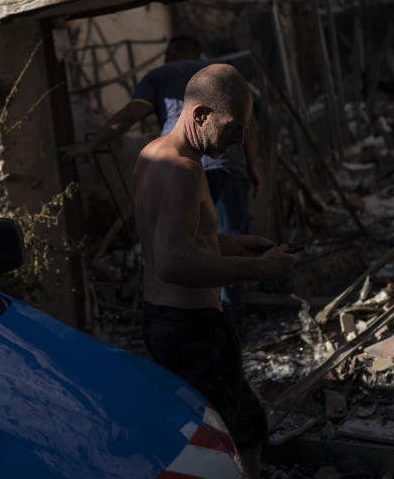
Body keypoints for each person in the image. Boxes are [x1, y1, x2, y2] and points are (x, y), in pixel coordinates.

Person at [132, 64, 298, 479]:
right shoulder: (184, 172)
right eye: (234, 127)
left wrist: (237, 245)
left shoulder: (152, 155)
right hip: (192, 330)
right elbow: (175, 263)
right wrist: (258, 269)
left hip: (165, 321)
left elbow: (174, 240)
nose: (241, 140)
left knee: (242, 424)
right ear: (200, 114)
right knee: (215, 445)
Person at [62, 37, 260, 319]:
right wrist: (253, 166)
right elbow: (175, 264)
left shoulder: (163, 86)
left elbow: (132, 114)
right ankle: (230, 314)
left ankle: (224, 314)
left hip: (184, 160)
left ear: (169, 53)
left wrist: (90, 146)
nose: (238, 138)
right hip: (220, 164)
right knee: (206, 241)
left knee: (201, 238)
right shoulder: (218, 81)